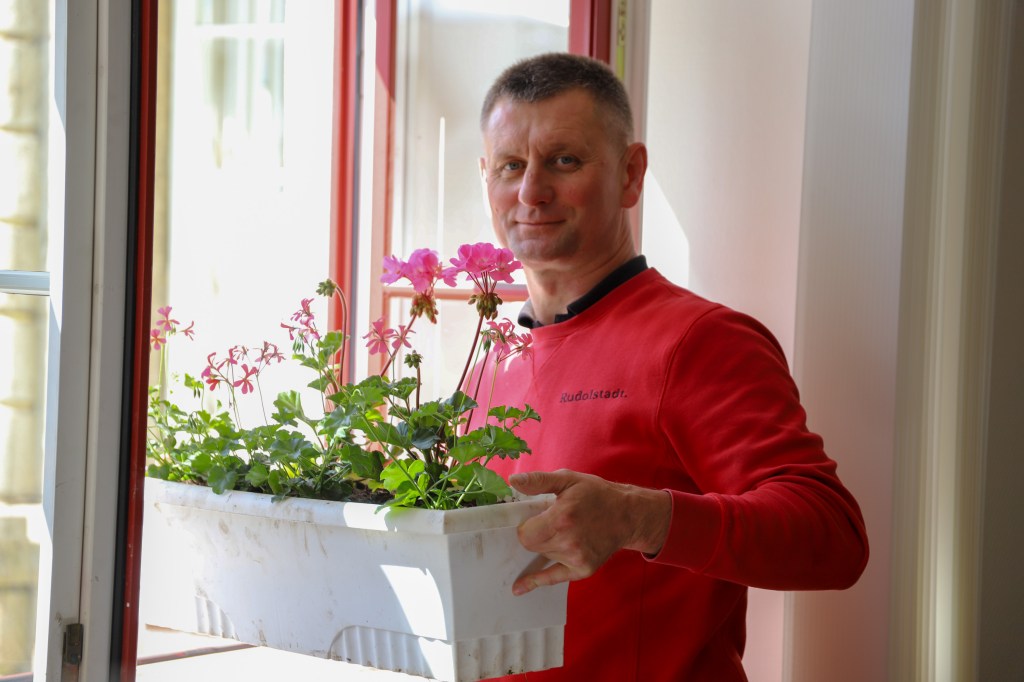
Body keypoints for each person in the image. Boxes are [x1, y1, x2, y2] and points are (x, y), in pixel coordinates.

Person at [473, 52, 869, 681]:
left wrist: (639, 517)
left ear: (631, 176)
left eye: (564, 160)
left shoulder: (702, 341)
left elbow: (833, 538)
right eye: (510, 167)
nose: (531, 192)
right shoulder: (490, 360)